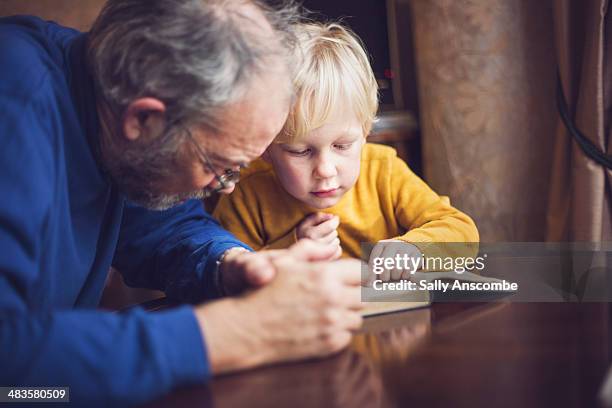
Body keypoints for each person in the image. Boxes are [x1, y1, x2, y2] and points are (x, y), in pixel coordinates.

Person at [0, 1, 363, 405]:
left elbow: (165, 226)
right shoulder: (13, 107)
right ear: (143, 120)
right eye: (220, 164)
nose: (226, 188)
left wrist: (229, 264)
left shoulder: (105, 113)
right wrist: (236, 332)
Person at [213, 22, 479, 282]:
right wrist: (290, 249)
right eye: (301, 151)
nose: (325, 170)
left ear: (365, 133)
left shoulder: (383, 170)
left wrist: (415, 249)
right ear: (266, 148)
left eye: (341, 146)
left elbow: (464, 235)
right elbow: (226, 280)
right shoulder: (246, 192)